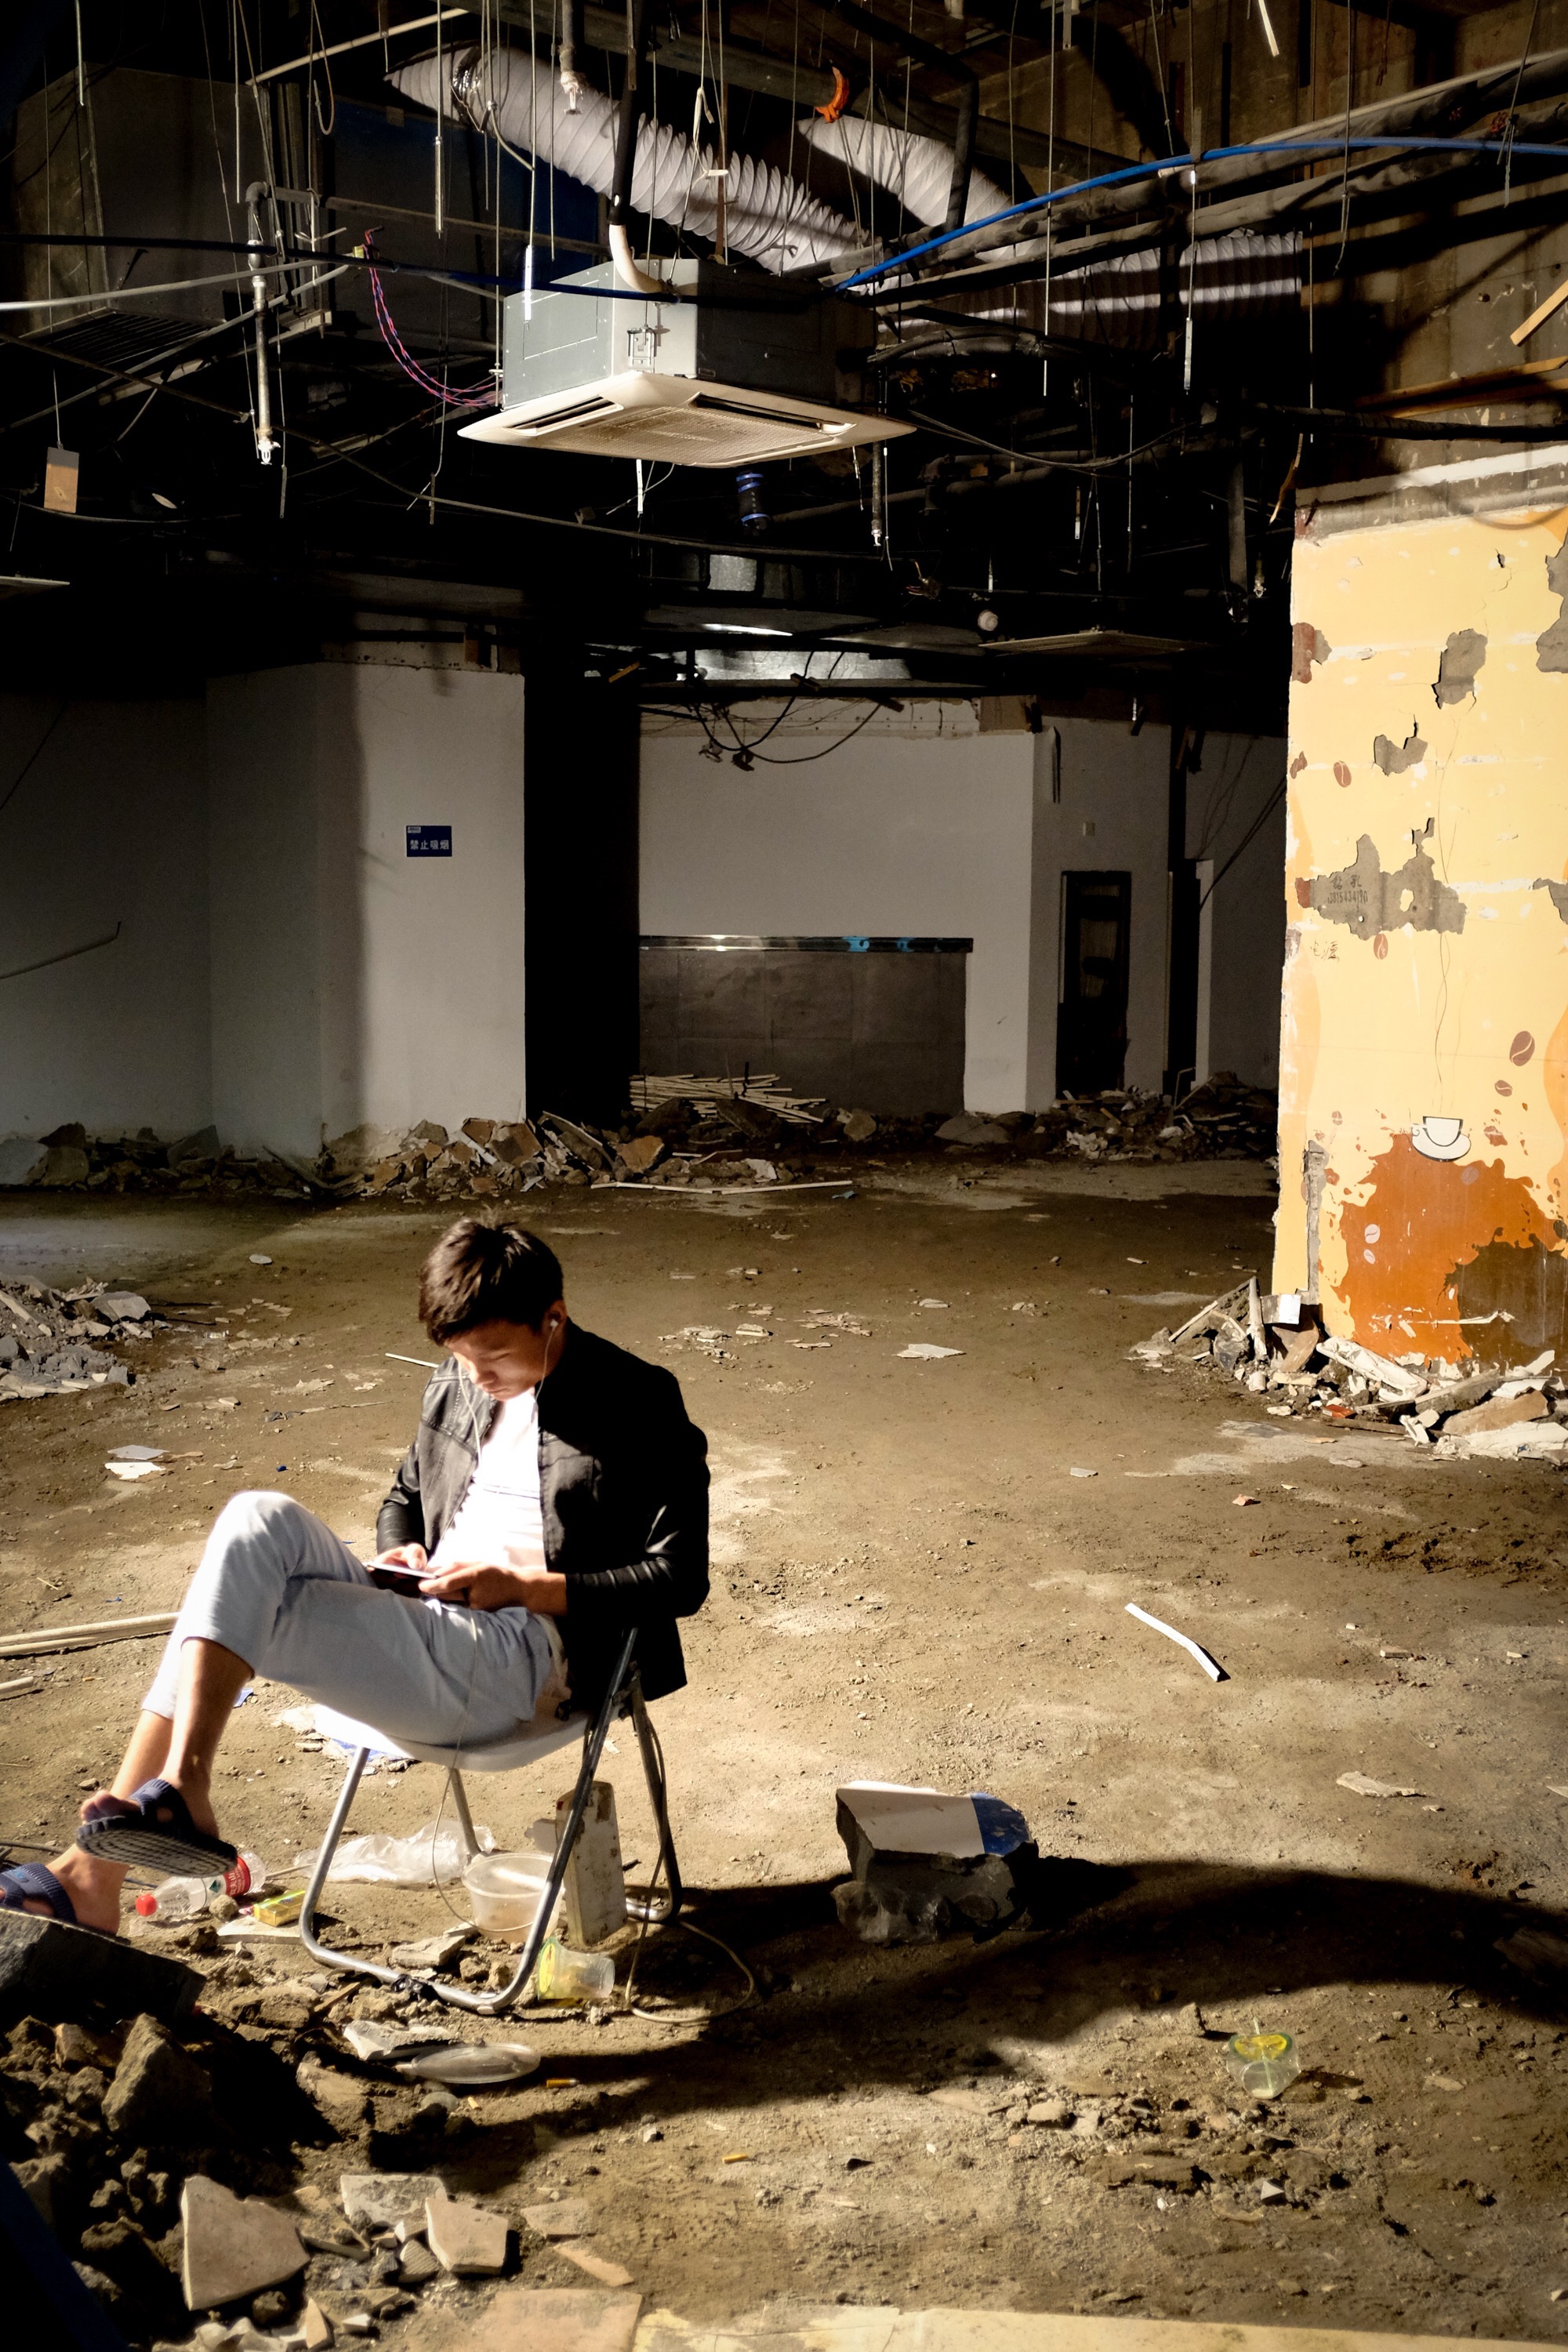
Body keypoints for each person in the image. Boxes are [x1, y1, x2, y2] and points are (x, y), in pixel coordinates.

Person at [0, 1221, 709, 1931]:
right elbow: (403, 1497)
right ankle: (165, 1804)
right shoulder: (458, 1384)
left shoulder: (638, 1400)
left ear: (553, 1317)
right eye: (461, 1358)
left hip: (531, 1653)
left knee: (242, 1605)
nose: (476, 1378)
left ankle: (100, 1867)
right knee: (254, 1519)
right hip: (429, 1611)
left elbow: (680, 1578)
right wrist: (403, 1550)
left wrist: (523, 1588)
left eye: (493, 1357)